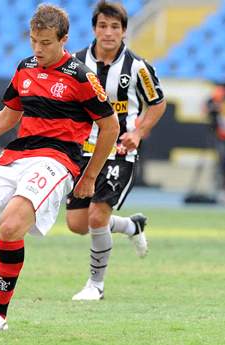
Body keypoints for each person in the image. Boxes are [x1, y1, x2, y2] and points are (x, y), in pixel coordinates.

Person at [0, 3, 119, 331]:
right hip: (16, 158)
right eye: (34, 41)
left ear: (64, 39)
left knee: (10, 227)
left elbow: (110, 127)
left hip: (56, 161)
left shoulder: (81, 76)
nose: (38, 49)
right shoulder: (25, 67)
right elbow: (10, 115)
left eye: (46, 43)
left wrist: (89, 176)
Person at [65, 1, 166, 301]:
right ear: (94, 28)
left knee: (97, 215)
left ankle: (95, 285)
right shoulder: (76, 61)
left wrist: (139, 132)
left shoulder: (137, 67)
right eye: (102, 26)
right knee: (77, 225)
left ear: (124, 31)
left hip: (120, 151)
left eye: (115, 27)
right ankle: (130, 225)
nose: (108, 32)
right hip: (84, 150)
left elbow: (157, 103)